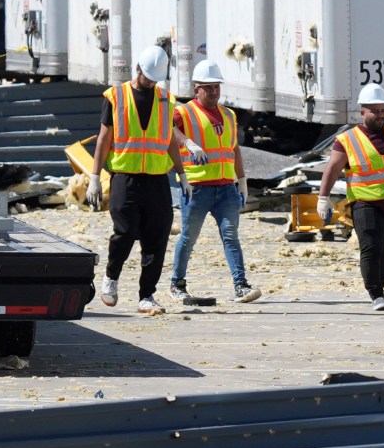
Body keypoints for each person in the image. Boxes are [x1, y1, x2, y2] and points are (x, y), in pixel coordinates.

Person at [317, 83, 384, 311]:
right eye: (374, 111)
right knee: (372, 247)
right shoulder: (347, 140)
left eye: (382, 110)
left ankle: (380, 288)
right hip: (365, 203)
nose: (380, 115)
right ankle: (376, 293)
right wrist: (323, 197)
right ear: (362, 112)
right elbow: (332, 168)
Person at [89, 49, 176, 316]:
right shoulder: (115, 97)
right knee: (125, 232)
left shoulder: (165, 99)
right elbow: (104, 138)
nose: (151, 83)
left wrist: (182, 174)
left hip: (157, 179)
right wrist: (94, 176)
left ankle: (147, 295)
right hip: (125, 178)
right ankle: (111, 278)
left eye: (155, 79)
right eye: (148, 77)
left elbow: (170, 138)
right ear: (137, 69)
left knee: (157, 237)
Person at [169, 62, 261, 307]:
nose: (213, 92)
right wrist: (187, 142)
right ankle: (177, 284)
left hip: (226, 187)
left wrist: (242, 181)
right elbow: (168, 129)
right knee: (188, 237)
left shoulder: (229, 115)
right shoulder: (184, 112)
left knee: (231, 236)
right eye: (208, 88)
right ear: (196, 89)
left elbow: (233, 149)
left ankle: (240, 285)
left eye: (216, 87)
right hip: (197, 187)